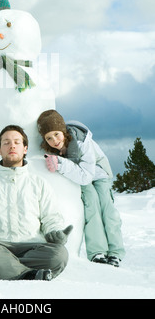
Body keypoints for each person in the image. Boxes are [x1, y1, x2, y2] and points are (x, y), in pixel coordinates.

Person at [0, 124, 72, 281]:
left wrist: (54, 232)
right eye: (6, 142)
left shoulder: (39, 183)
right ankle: (27, 274)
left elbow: (51, 218)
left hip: (32, 246)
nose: (12, 146)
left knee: (59, 255)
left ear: (25, 148)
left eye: (17, 142)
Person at [37, 109, 125, 267]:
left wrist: (62, 164)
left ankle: (115, 252)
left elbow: (87, 176)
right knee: (91, 207)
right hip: (80, 178)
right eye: (48, 138)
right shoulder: (53, 149)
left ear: (63, 131)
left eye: (57, 134)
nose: (54, 140)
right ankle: (97, 252)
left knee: (107, 209)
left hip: (98, 174)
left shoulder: (82, 142)